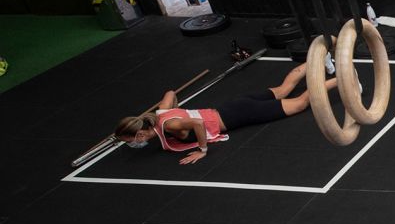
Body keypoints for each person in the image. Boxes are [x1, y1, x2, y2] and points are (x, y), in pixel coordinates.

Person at [112, 64, 336, 165]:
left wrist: (202, 150)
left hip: (238, 115)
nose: (130, 144)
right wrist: (177, 109)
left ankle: (344, 80)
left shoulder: (169, 127)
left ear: (139, 134)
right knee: (284, 89)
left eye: (129, 141)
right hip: (232, 106)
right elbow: (170, 93)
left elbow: (197, 123)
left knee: (299, 103)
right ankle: (318, 60)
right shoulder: (161, 112)